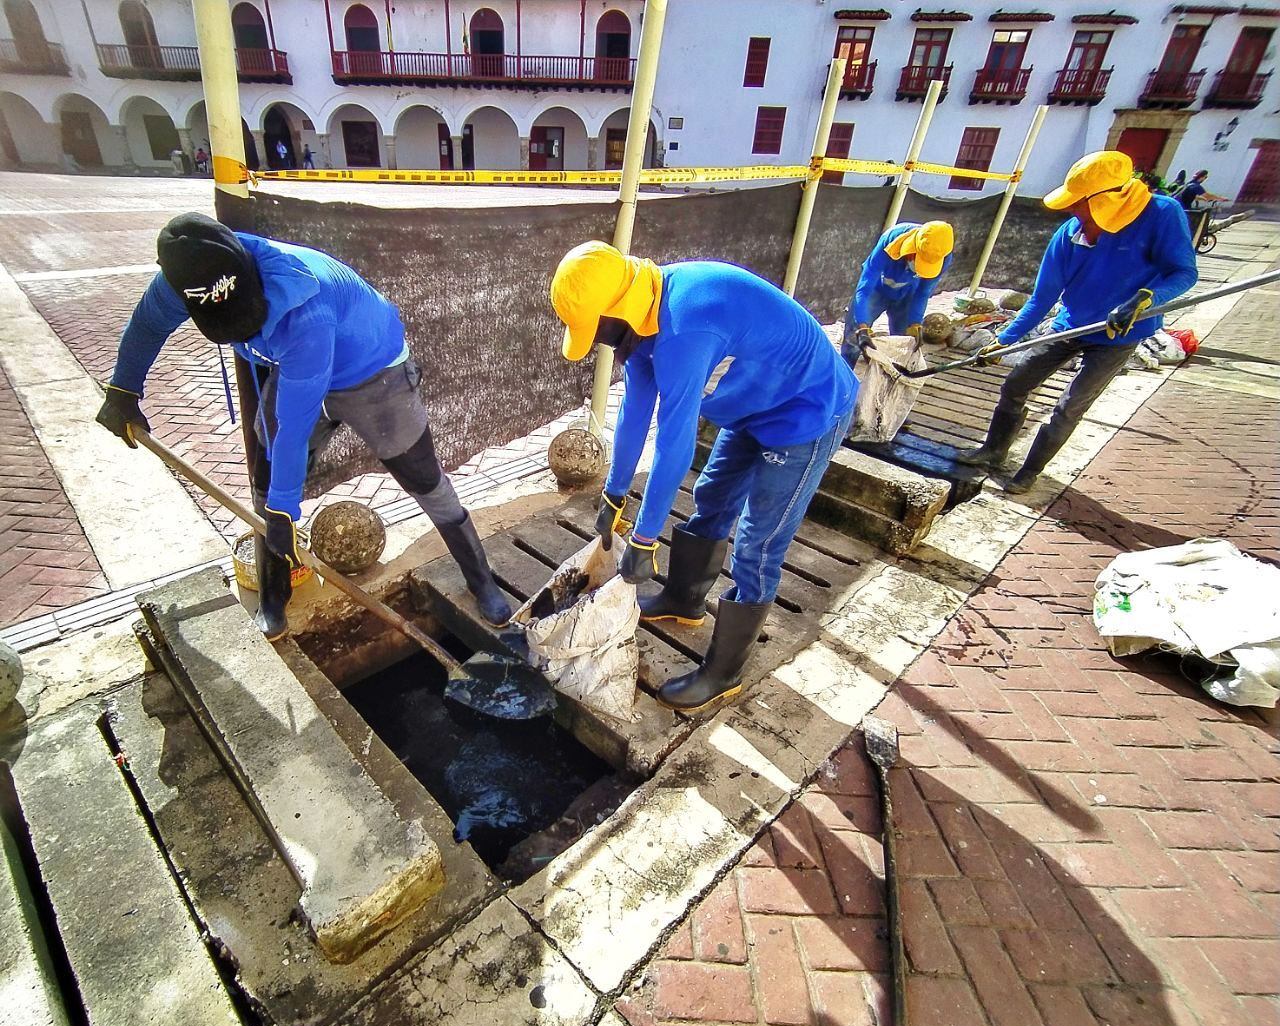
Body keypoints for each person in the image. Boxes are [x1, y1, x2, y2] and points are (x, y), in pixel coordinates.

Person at [96, 213, 511, 638]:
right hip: (295, 367)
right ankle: (273, 598)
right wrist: (123, 390)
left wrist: (285, 510)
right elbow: (147, 326)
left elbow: (293, 427)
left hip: (374, 374)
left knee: (423, 478)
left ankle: (481, 580)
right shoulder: (188, 273)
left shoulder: (304, 305)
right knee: (266, 480)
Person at [550, 242, 857, 714]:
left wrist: (645, 538)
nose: (600, 342)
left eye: (598, 331)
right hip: (752, 407)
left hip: (806, 413)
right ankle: (684, 599)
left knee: (758, 541)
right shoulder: (643, 320)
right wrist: (613, 495)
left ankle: (724, 673)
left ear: (617, 313)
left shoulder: (685, 327)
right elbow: (635, 414)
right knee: (712, 494)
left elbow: (675, 442)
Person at [959, 151, 1197, 493]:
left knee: (1070, 406)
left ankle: (1029, 471)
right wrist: (1004, 340)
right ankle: (994, 450)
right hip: (1071, 325)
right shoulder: (1069, 234)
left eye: (1078, 203)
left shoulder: (1161, 214)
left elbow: (1184, 272)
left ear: (1106, 201)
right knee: (1016, 384)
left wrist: (1145, 299)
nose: (1070, 210)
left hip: (1120, 333)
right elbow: (1042, 298)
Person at [842, 220, 954, 363]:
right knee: (854, 337)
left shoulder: (943, 258)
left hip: (908, 293)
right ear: (913, 246)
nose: (916, 264)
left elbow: (923, 292)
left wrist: (915, 322)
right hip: (876, 289)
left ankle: (892, 373)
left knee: (903, 343)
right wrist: (862, 327)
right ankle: (844, 372)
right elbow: (865, 287)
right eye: (918, 259)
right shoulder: (892, 240)